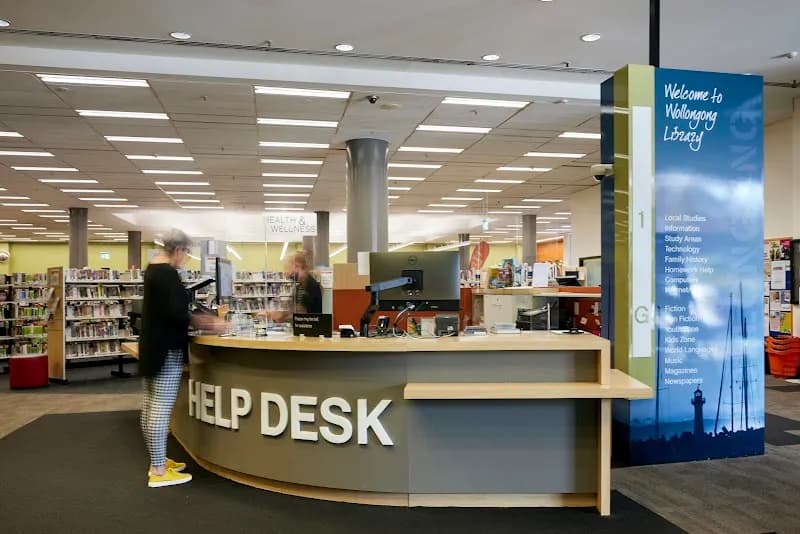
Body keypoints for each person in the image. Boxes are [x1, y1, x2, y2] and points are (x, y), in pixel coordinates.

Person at [139, 229, 221, 488]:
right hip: (166, 349)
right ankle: (159, 470)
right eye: (186, 254)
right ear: (179, 250)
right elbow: (177, 313)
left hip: (153, 347)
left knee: (150, 406)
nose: (185, 259)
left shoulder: (153, 269)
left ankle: (158, 459)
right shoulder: (167, 273)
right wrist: (209, 324)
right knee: (160, 409)